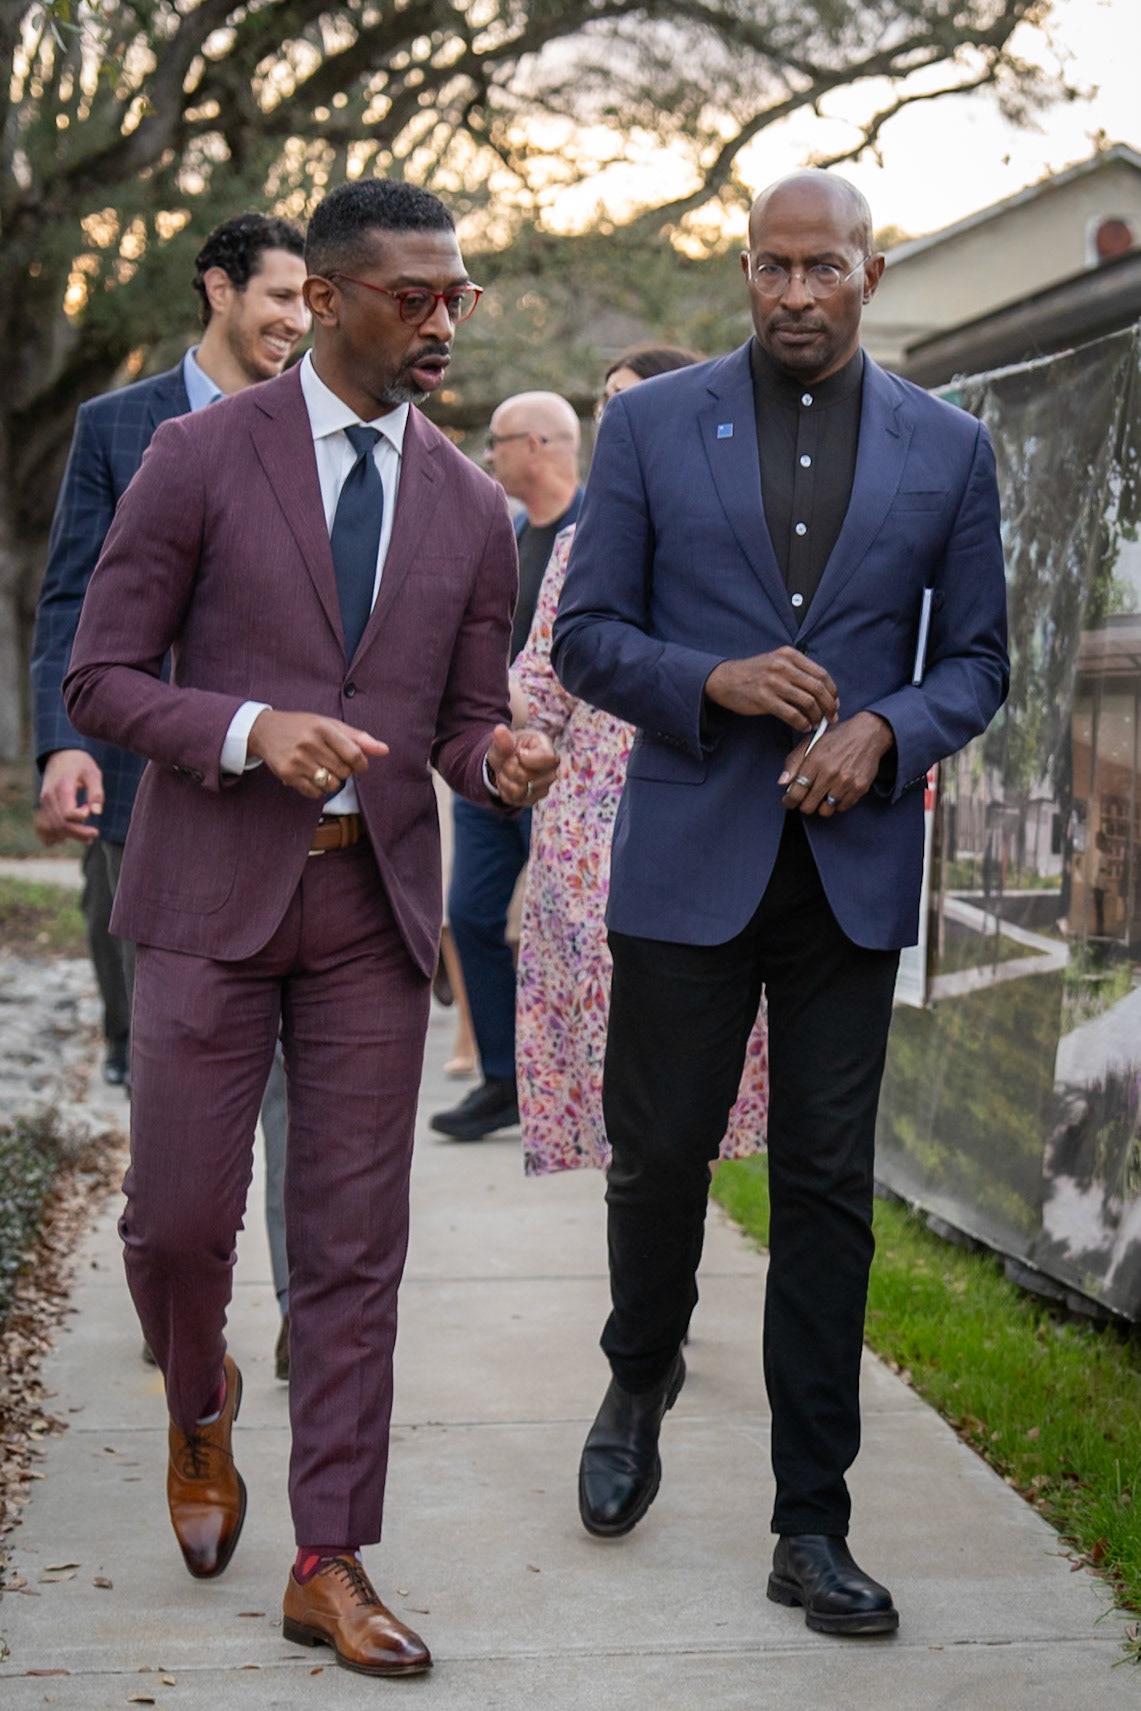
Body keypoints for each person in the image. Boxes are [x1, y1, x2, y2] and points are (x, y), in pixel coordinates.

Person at [64, 176, 557, 1680]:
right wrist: (246, 728)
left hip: (367, 913)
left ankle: (329, 1558)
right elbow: (100, 674)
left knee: (351, 1249)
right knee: (178, 1223)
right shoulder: (198, 455)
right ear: (326, 299)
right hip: (206, 898)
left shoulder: (471, 505)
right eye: (414, 296)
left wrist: (497, 759)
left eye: (457, 294)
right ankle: (198, 1403)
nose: (442, 320)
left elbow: (460, 717)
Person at [552, 170, 1008, 1636]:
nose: (795, 292)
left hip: (848, 872)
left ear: (872, 272)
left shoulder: (951, 448)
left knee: (824, 1190)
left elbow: (978, 662)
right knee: (657, 1157)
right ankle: (639, 1370)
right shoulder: (648, 427)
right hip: (687, 858)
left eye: (822, 268)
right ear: (744, 269)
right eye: (771, 266)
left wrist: (886, 730)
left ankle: (811, 1521)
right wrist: (714, 680)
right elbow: (585, 635)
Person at [30, 211, 309, 1366]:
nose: (297, 319)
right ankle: (183, 1309)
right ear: (218, 288)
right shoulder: (117, 426)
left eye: (310, 300)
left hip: (291, 793)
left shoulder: (327, 424)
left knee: (298, 1070)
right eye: (280, 295)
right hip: (146, 788)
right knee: (177, 1060)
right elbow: (72, 598)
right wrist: (63, 743)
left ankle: (308, 1309)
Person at [512, 345, 768, 1176]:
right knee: (620, 1064)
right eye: (604, 402)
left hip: (705, 805)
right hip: (589, 833)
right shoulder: (578, 543)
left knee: (700, 1052)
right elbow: (541, 685)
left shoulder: (740, 531)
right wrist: (506, 724)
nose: (612, 416)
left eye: (630, 399)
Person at [431, 391, 584, 1141]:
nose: (486, 456)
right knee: (470, 912)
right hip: (488, 760)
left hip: (566, 773)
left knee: (566, 931)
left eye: (496, 441)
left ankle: (584, 1082)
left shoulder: (599, 533)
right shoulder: (509, 532)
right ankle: (503, 1079)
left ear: (536, 446)